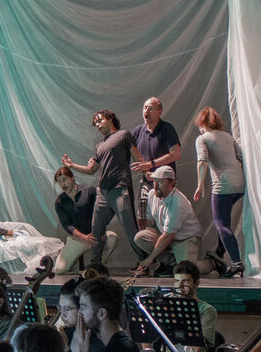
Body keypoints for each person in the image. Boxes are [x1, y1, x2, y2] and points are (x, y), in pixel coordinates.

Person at [60, 109, 145, 267]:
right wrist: (72, 165)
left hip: (120, 189)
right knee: (96, 230)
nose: (97, 125)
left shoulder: (124, 135)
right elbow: (91, 170)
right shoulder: (99, 146)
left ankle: (144, 264)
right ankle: (95, 265)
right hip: (103, 193)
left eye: (99, 120)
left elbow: (138, 158)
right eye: (95, 124)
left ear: (110, 118)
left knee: (130, 229)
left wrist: (150, 173)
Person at [193, 107, 246, 277]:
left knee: (221, 225)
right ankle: (220, 254)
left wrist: (200, 185)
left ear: (202, 123)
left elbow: (202, 161)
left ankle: (237, 262)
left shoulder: (203, 139)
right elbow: (241, 157)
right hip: (240, 184)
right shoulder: (228, 137)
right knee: (224, 224)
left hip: (223, 186)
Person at [132, 166, 204, 277]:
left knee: (186, 270)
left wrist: (150, 259)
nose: (156, 185)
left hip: (185, 238)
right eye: (155, 180)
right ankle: (171, 263)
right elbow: (152, 224)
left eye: (160, 181)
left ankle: (212, 263)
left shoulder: (178, 202)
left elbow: (168, 236)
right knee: (141, 237)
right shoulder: (152, 194)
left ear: (171, 183)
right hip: (167, 235)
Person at [53, 166, 120, 271]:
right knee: (59, 270)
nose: (63, 184)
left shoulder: (89, 191)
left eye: (65, 179)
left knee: (112, 238)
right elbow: (66, 225)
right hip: (78, 239)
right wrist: (83, 237)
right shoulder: (60, 202)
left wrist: (100, 231)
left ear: (73, 178)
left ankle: (99, 263)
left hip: (95, 236)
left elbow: (102, 212)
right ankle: (74, 264)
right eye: (59, 182)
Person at [129, 96, 183, 224]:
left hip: (164, 181)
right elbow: (130, 151)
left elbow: (176, 154)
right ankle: (145, 242)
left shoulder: (166, 129)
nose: (146, 111)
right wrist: (144, 171)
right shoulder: (138, 131)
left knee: (165, 216)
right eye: (144, 108)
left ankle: (165, 242)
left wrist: (151, 164)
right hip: (146, 180)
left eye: (151, 108)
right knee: (142, 217)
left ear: (159, 111)